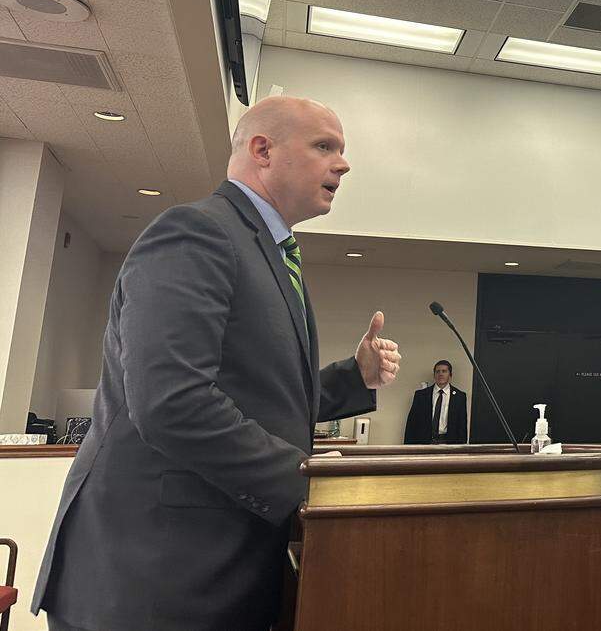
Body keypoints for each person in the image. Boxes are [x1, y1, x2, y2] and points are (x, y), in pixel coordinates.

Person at [32, 96, 404, 631]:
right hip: (158, 578)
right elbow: (171, 402)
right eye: (325, 146)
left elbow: (258, 395)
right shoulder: (196, 233)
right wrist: (311, 485)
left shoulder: (269, 251)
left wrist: (355, 377)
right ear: (262, 150)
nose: (343, 163)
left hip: (214, 571)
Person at [405, 360, 468, 444]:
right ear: (434, 375)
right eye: (437, 371)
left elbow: (462, 425)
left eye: (444, 371)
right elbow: (411, 423)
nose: (441, 374)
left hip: (449, 443)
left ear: (450, 375)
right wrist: (408, 448)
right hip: (424, 442)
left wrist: (461, 449)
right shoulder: (421, 395)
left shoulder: (460, 397)